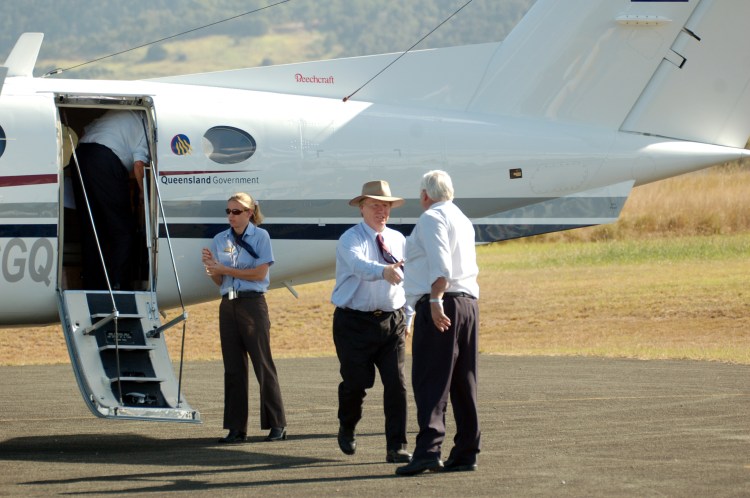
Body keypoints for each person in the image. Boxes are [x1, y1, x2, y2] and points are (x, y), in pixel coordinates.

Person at [396, 170, 481, 476]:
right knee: (463, 380)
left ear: (424, 195)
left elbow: (441, 263)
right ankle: (467, 450)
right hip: (468, 303)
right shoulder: (461, 217)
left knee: (431, 379)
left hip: (443, 301)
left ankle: (429, 450)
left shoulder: (432, 218)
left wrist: (434, 300)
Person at [331, 180, 413, 464]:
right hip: (354, 323)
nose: (382, 210)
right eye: (376, 205)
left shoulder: (399, 239)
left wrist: (409, 315)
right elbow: (359, 267)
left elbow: (409, 279)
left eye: (386, 205)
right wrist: (384, 272)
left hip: (392, 322)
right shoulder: (350, 239)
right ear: (362, 208)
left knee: (397, 384)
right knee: (357, 384)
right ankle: (347, 424)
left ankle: (397, 447)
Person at [202, 192, 287, 443]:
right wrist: (211, 269)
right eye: (228, 211)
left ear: (250, 213)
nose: (231, 216)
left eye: (236, 212)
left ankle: (277, 424)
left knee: (262, 364)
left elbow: (260, 273)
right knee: (233, 369)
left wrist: (224, 268)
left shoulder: (261, 236)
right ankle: (236, 429)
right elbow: (219, 279)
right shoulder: (220, 239)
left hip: (252, 304)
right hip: (227, 305)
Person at [71, 109, 149, 290]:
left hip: (79, 157)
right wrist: (143, 193)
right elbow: (139, 164)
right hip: (105, 160)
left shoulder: (116, 114)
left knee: (92, 228)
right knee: (124, 230)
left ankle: (92, 283)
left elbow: (84, 132)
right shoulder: (146, 125)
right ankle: (118, 284)